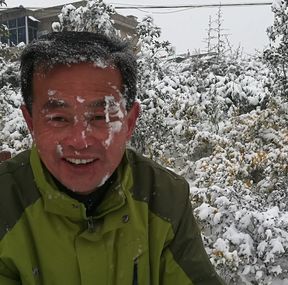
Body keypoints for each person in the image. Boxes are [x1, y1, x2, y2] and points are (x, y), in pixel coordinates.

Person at [0, 31, 224, 285]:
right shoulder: (5, 203)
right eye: (58, 118)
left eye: (100, 117)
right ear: (31, 122)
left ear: (129, 122)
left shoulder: (163, 198)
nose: (80, 141)